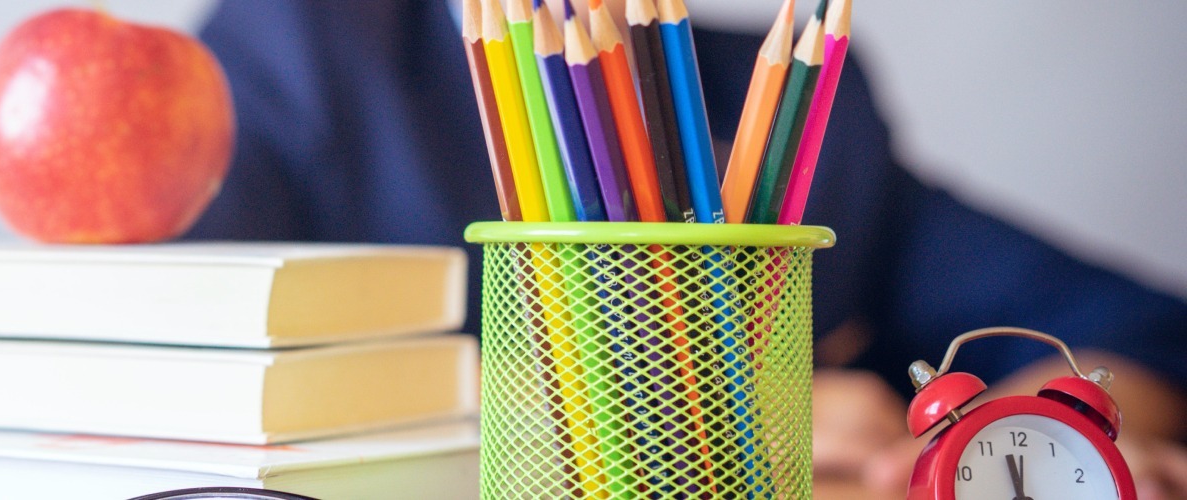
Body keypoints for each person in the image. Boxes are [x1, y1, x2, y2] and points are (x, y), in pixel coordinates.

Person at [183, 0, 1187, 496]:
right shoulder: (292, 54)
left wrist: (1033, 446)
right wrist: (743, 409)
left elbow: (1130, 324)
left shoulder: (790, 109)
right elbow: (186, 373)